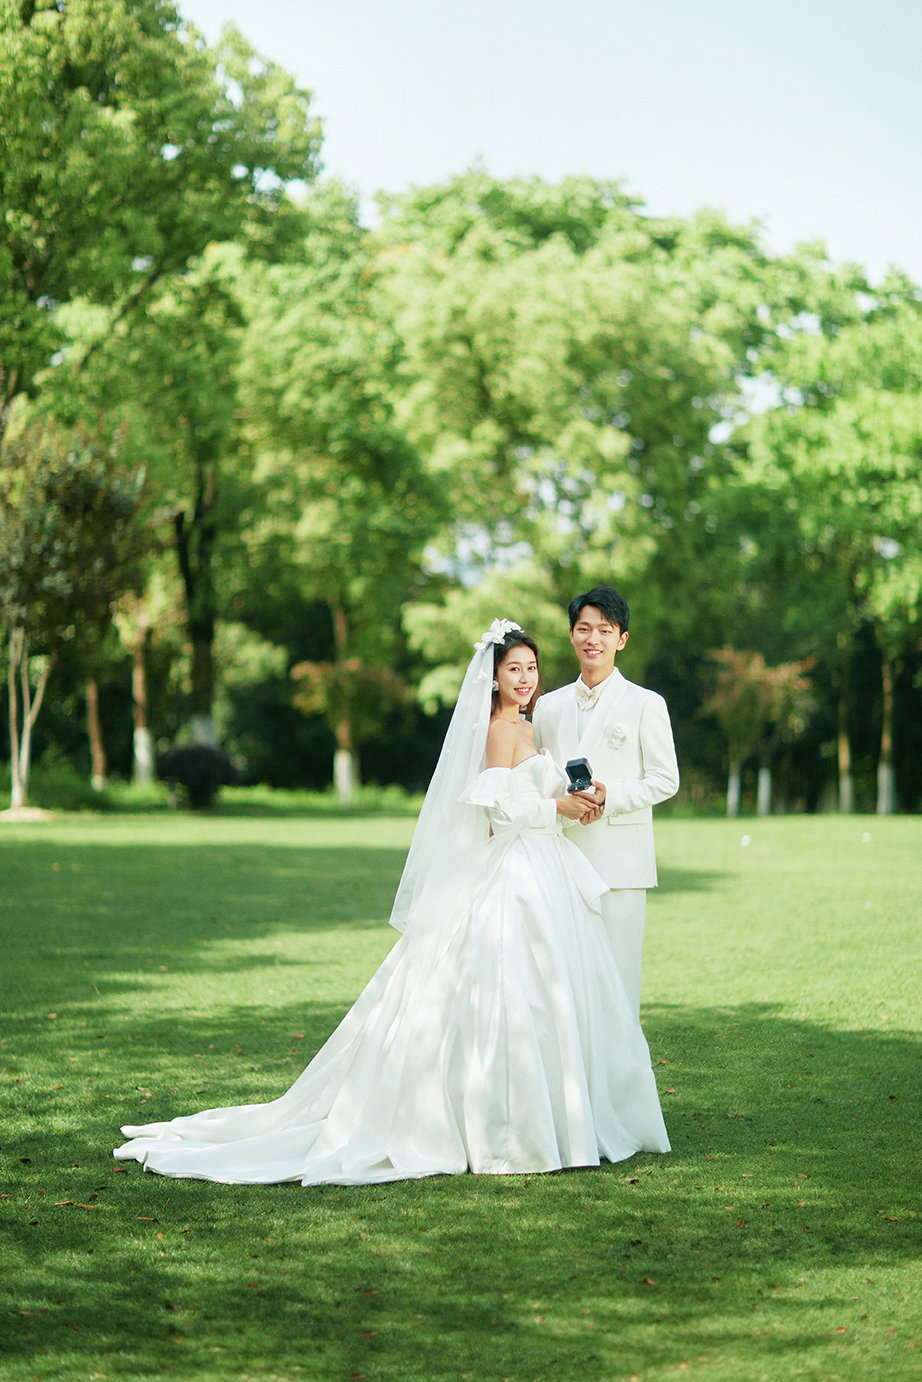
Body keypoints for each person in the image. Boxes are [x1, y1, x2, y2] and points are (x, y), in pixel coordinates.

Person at [114, 619, 669, 1186]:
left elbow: (528, 797)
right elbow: (497, 813)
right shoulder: (499, 732)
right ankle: (511, 1132)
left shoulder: (529, 727)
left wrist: (573, 801)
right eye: (513, 669)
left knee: (548, 995)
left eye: (530, 668)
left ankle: (556, 1119)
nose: (524, 679)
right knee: (514, 993)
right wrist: (556, 809)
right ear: (493, 677)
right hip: (519, 873)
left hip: (546, 869)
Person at [533, 586, 680, 1016]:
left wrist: (610, 796)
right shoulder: (547, 706)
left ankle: (621, 1061)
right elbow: (536, 775)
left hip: (620, 864)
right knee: (564, 982)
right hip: (559, 859)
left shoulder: (646, 703)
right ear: (572, 635)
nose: (592, 638)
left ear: (622, 639)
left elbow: (666, 780)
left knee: (617, 981)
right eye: (583, 629)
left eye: (604, 629)